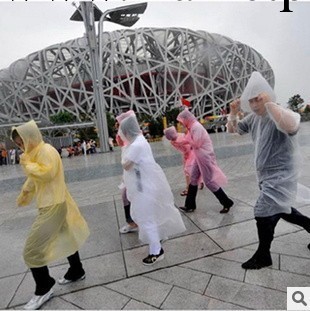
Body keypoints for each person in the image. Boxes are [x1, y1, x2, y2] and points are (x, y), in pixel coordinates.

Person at [227, 71, 310, 270]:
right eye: (251, 101)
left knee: (263, 211)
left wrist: (270, 104)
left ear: (267, 97)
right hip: (265, 175)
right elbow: (234, 130)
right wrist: (232, 112)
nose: (254, 105)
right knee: (283, 210)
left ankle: (263, 255)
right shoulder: (255, 118)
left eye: (258, 99)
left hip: (281, 175)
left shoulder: (279, 112)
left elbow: (291, 125)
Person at [11, 120, 90, 309]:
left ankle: (44, 286)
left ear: (30, 137)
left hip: (53, 205)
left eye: (22, 142)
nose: (21, 146)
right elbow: (34, 179)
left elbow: (47, 173)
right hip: (53, 202)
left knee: (31, 250)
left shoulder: (46, 151)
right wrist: (25, 193)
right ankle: (76, 270)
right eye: (18, 144)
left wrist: (27, 164)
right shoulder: (35, 153)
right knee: (66, 236)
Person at [118, 111, 186, 265]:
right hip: (146, 184)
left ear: (128, 132)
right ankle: (157, 241)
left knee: (146, 218)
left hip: (143, 187)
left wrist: (124, 152)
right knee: (149, 216)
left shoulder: (135, 145)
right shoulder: (140, 139)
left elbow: (126, 165)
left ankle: (156, 251)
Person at [176, 108, 234, 213]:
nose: (182, 123)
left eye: (182, 121)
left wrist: (187, 140)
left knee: (209, 182)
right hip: (199, 157)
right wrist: (177, 140)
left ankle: (226, 202)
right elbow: (187, 140)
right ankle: (189, 205)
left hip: (205, 157)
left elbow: (196, 143)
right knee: (193, 179)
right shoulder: (192, 127)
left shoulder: (196, 127)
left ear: (186, 119)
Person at [115, 111, 139, 234]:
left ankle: (149, 227)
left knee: (134, 197)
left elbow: (129, 164)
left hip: (136, 176)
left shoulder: (135, 142)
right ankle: (132, 222)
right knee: (125, 195)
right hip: (129, 176)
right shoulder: (128, 143)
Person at [163, 126, 203, 196]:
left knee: (188, 171)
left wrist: (186, 153)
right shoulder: (178, 137)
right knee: (190, 170)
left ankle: (190, 187)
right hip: (189, 154)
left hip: (189, 154)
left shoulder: (176, 140)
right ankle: (198, 182)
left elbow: (187, 146)